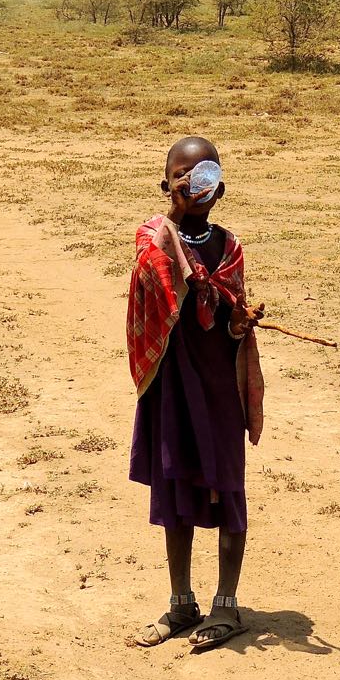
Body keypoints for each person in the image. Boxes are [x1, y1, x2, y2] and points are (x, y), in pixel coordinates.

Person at [126, 136, 264, 650]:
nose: (192, 182)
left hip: (218, 386)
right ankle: (180, 602)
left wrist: (238, 321)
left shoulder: (229, 248)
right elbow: (159, 285)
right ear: (167, 185)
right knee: (176, 489)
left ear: (219, 186)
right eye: (181, 175)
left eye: (203, 174)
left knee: (227, 486)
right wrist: (184, 251)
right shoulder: (153, 239)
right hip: (172, 384)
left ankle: (226, 605)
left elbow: (226, 322)